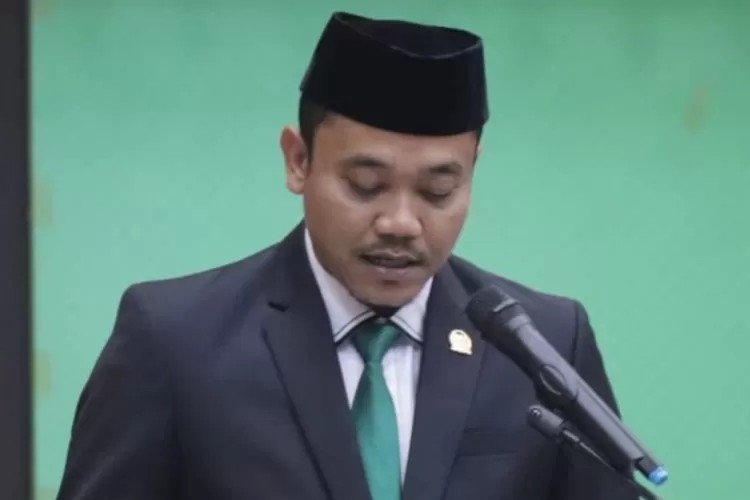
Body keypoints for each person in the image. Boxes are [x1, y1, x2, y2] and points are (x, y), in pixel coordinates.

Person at [56, 11, 639, 500]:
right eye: (366, 185)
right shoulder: (175, 341)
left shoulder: (542, 342)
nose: (401, 223)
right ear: (298, 161)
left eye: (438, 191)